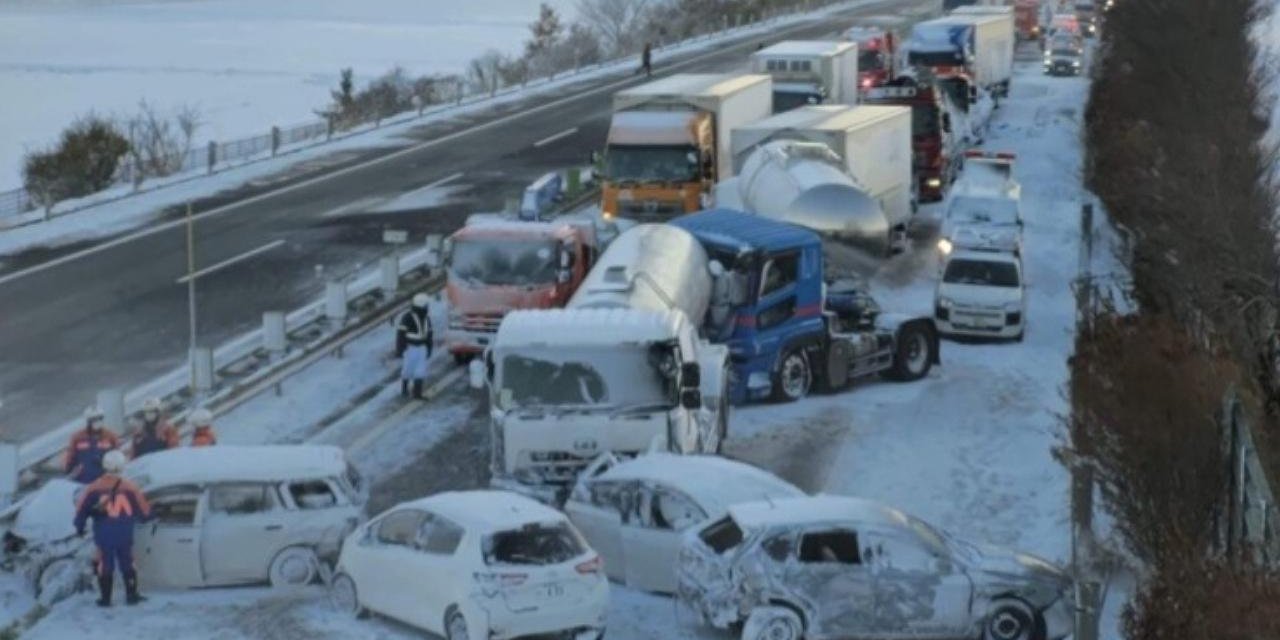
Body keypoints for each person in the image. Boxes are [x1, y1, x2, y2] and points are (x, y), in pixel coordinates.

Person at [74, 450, 151, 607]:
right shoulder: (130, 487)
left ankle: (105, 599)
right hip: (124, 533)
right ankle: (131, 595)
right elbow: (144, 511)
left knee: (105, 564)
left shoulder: (93, 488)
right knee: (128, 562)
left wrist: (79, 527)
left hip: (103, 533)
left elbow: (81, 510)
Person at [64, 407, 120, 484]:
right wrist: (68, 471)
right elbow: (70, 457)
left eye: (100, 418)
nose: (97, 422)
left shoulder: (110, 436)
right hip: (84, 478)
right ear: (88, 421)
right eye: (94, 419)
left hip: (105, 477)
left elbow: (118, 457)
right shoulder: (77, 437)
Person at [396, 293, 434, 399]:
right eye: (426, 305)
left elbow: (429, 335)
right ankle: (404, 390)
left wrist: (429, 348)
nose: (427, 307)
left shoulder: (427, 319)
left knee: (420, 370)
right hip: (410, 348)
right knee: (407, 369)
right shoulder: (407, 317)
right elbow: (400, 334)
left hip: (422, 348)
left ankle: (417, 393)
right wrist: (400, 349)